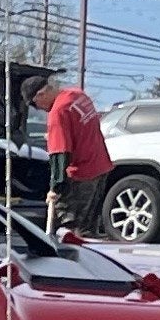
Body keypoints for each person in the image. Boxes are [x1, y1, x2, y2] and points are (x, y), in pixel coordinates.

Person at [43, 78, 113, 235]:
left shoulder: (58, 111)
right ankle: (91, 252)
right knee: (89, 223)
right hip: (100, 164)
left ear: (42, 94)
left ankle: (71, 255)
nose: (40, 109)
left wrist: (55, 188)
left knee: (70, 224)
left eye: (35, 103)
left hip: (82, 173)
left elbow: (60, 154)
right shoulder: (78, 95)